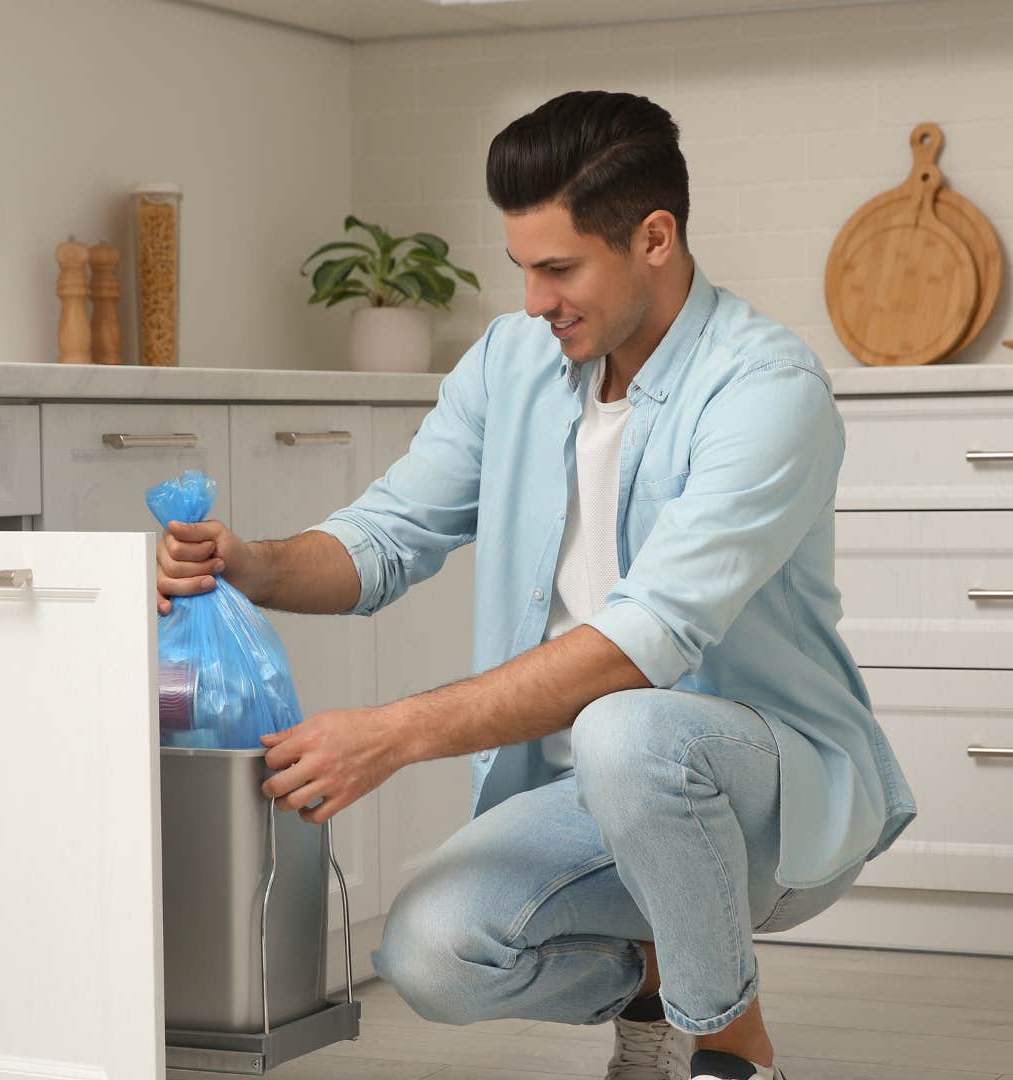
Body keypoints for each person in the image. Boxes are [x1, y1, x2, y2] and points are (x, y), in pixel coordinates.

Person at [155, 90, 916, 1080]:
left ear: (655, 238)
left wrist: (389, 735)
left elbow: (643, 642)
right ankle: (656, 983)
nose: (532, 301)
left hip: (764, 797)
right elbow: (388, 535)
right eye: (522, 267)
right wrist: (250, 564)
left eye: (558, 269)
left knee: (625, 728)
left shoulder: (765, 389)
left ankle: (731, 1042)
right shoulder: (513, 363)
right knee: (430, 953)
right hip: (584, 794)